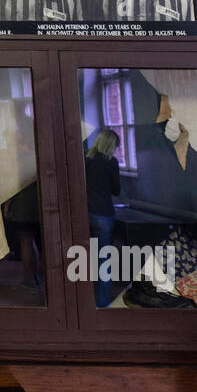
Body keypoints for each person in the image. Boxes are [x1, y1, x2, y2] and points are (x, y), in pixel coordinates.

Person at [84, 128, 122, 308]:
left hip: (85, 213)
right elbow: (116, 190)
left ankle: (85, 299)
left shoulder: (86, 160)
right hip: (103, 214)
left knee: (85, 257)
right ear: (111, 146)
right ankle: (101, 301)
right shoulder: (111, 162)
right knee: (103, 260)